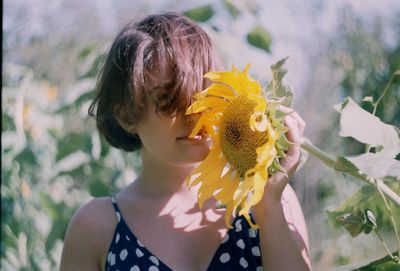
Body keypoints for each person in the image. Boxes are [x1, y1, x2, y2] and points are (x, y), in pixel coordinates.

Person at [60, 12, 311, 271]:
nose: (195, 115)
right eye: (170, 99)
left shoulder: (272, 198)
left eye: (205, 96)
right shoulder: (96, 227)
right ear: (127, 115)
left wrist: (268, 207)